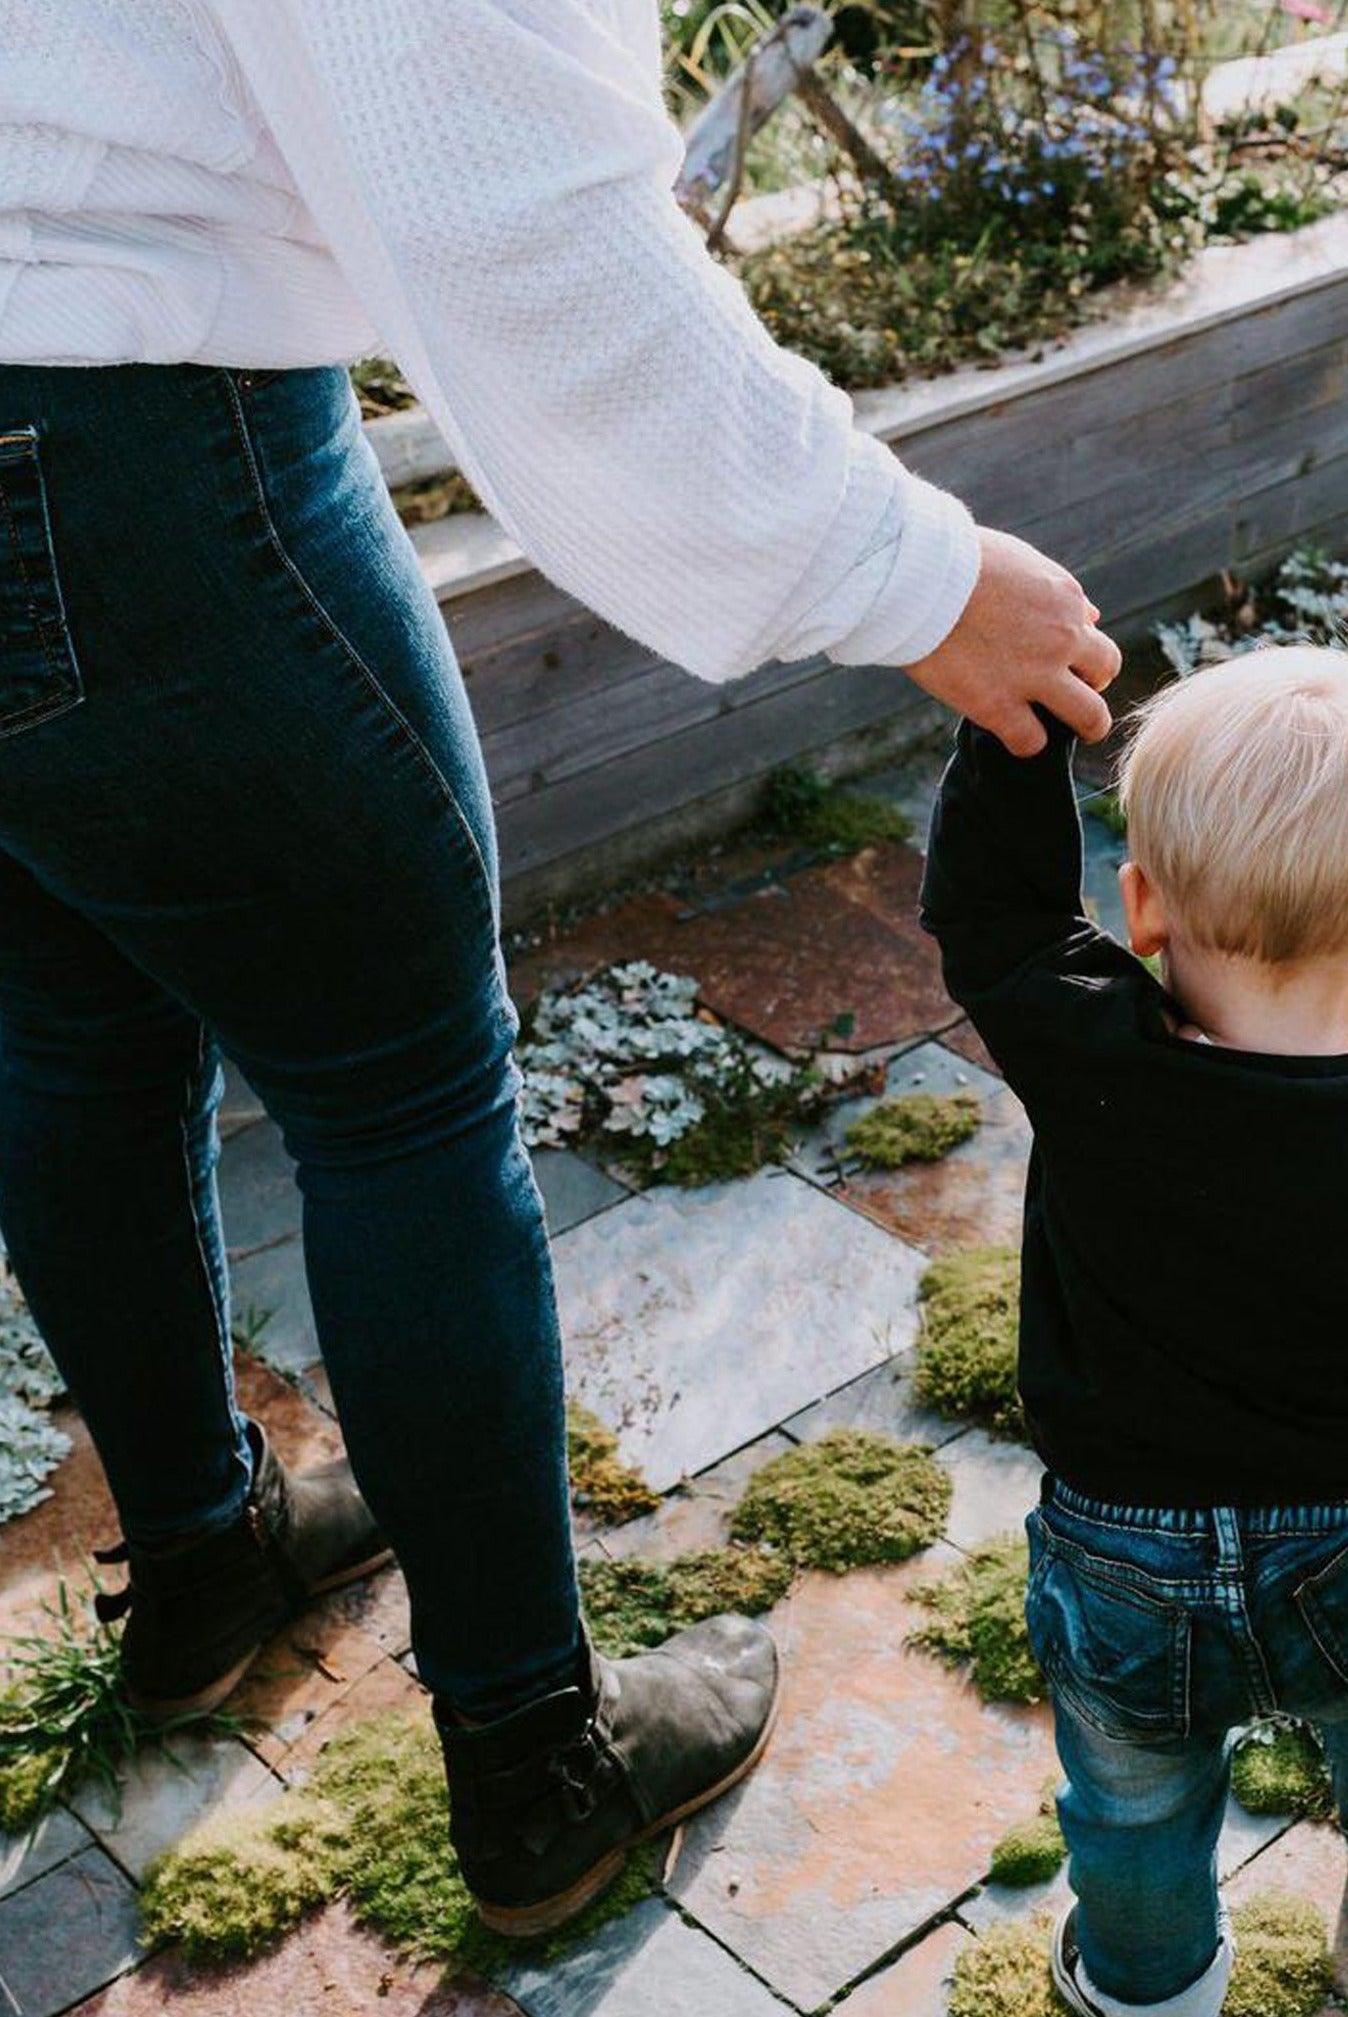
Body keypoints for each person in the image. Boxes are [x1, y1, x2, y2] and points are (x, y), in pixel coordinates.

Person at [0, 0, 1118, 1940]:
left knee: (67, 1023)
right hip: (146, 451)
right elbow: (516, 223)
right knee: (405, 1097)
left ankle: (204, 1563)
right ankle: (540, 1767)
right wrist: (910, 574)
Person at [919, 648, 1348, 2017]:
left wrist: (1018, 726)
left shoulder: (1087, 1057)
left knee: (1132, 1802)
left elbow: (991, 912)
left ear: (1138, 908)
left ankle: (1147, 1982)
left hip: (1121, 1550)